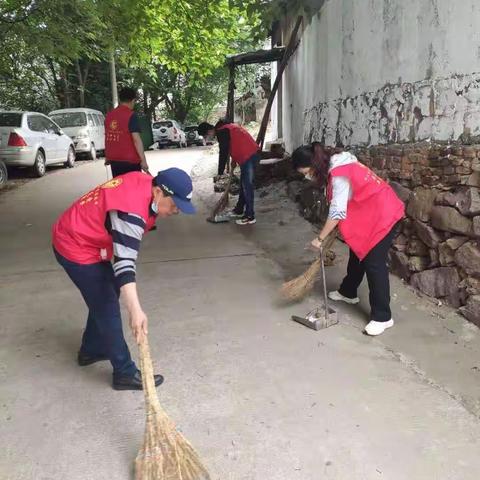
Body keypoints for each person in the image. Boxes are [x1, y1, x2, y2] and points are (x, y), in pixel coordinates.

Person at [52, 168, 196, 390]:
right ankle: (124, 373)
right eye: (174, 204)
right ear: (158, 192)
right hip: (75, 244)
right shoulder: (131, 213)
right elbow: (125, 264)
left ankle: (91, 350)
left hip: (86, 236)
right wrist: (136, 310)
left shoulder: (144, 182)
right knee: (107, 303)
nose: (176, 211)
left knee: (107, 293)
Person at [292, 143, 405, 336]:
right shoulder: (336, 160)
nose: (306, 176)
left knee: (374, 263)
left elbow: (337, 212)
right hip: (370, 212)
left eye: (306, 172)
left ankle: (383, 317)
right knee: (358, 248)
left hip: (383, 213)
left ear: (314, 165)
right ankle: (348, 291)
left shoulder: (339, 173)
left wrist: (320, 239)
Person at [198, 120, 260, 225]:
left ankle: (250, 216)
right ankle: (239, 210)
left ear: (209, 131)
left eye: (205, 136)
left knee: (247, 186)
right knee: (243, 185)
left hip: (249, 156)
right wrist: (234, 161)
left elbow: (223, 152)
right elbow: (236, 143)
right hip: (247, 156)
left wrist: (220, 172)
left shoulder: (222, 132)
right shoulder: (226, 128)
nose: (207, 138)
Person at [105, 87, 149, 178]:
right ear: (133, 100)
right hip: (130, 162)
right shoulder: (131, 115)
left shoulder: (109, 115)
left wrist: (107, 156)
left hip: (114, 161)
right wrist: (143, 161)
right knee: (133, 188)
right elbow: (136, 140)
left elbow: (108, 136)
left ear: (120, 99)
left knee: (120, 188)